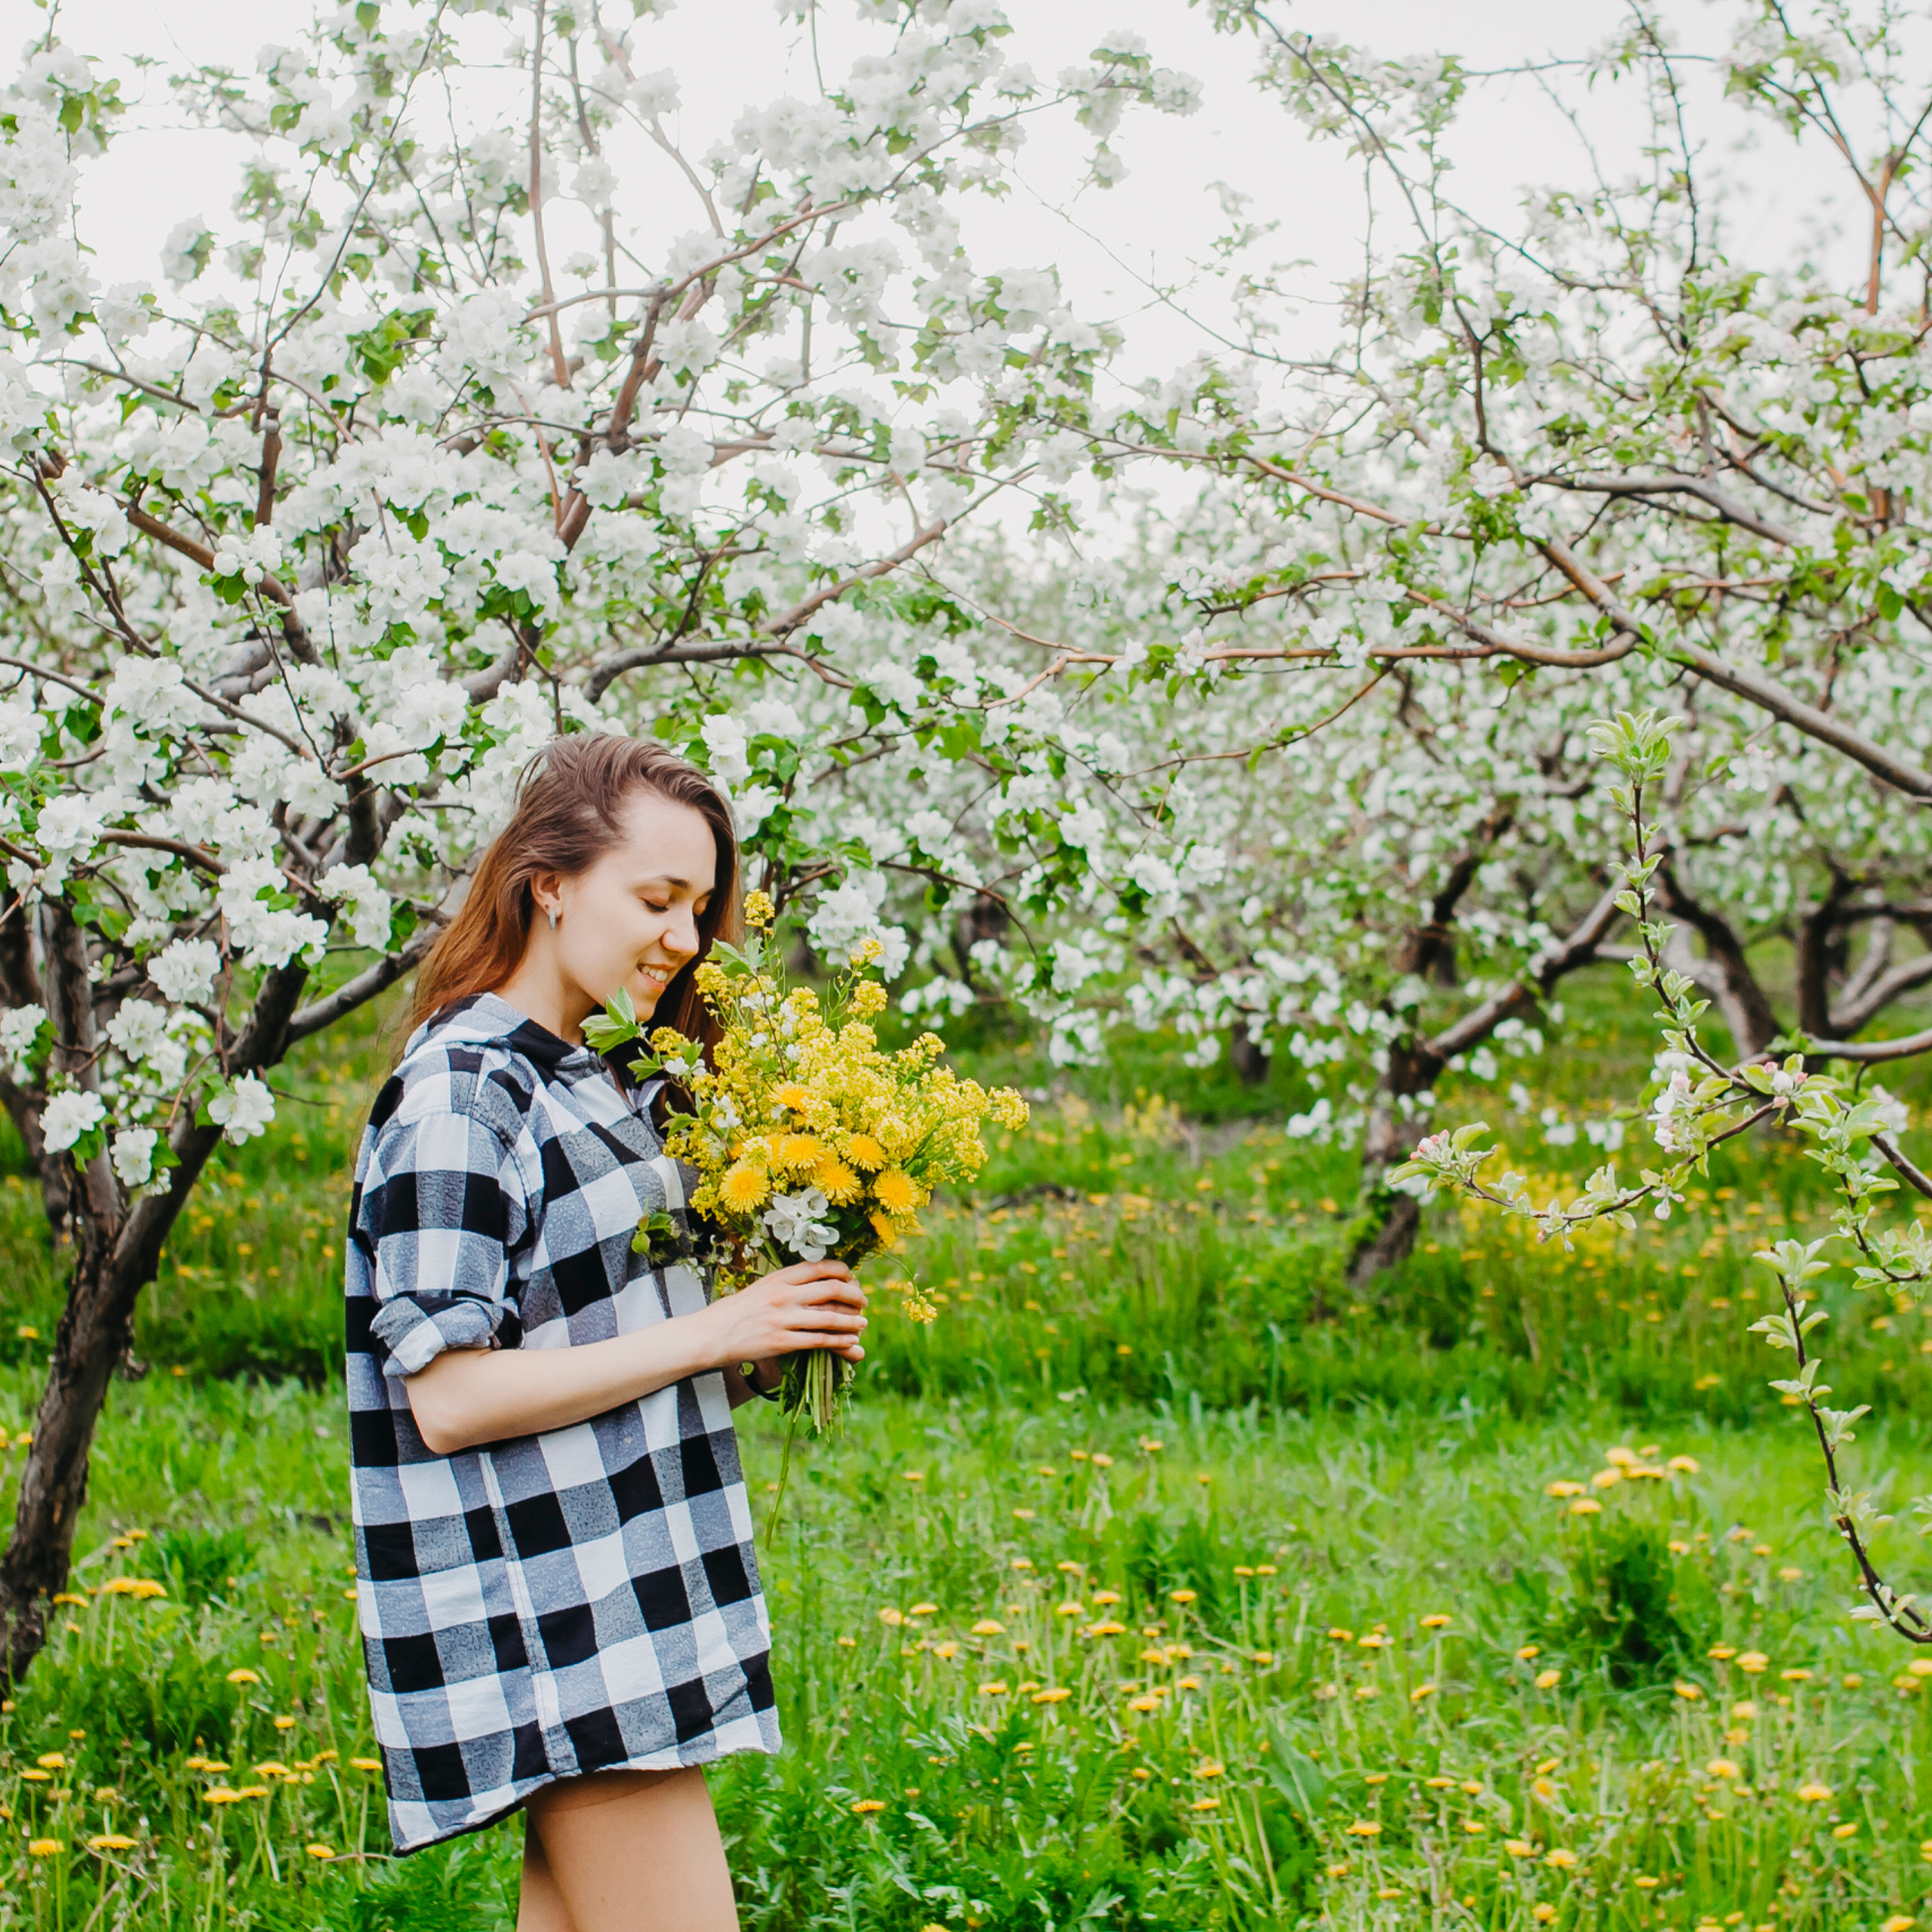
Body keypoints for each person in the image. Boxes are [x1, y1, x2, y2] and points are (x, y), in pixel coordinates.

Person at [344, 734, 868, 1930]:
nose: (686, 938)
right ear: (552, 883)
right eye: (658, 899)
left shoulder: (589, 1076)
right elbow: (452, 1396)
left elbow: (586, 1337)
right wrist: (709, 1331)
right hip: (563, 1624)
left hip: (633, 1595)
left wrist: (752, 1338)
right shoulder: (465, 1092)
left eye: (700, 906)